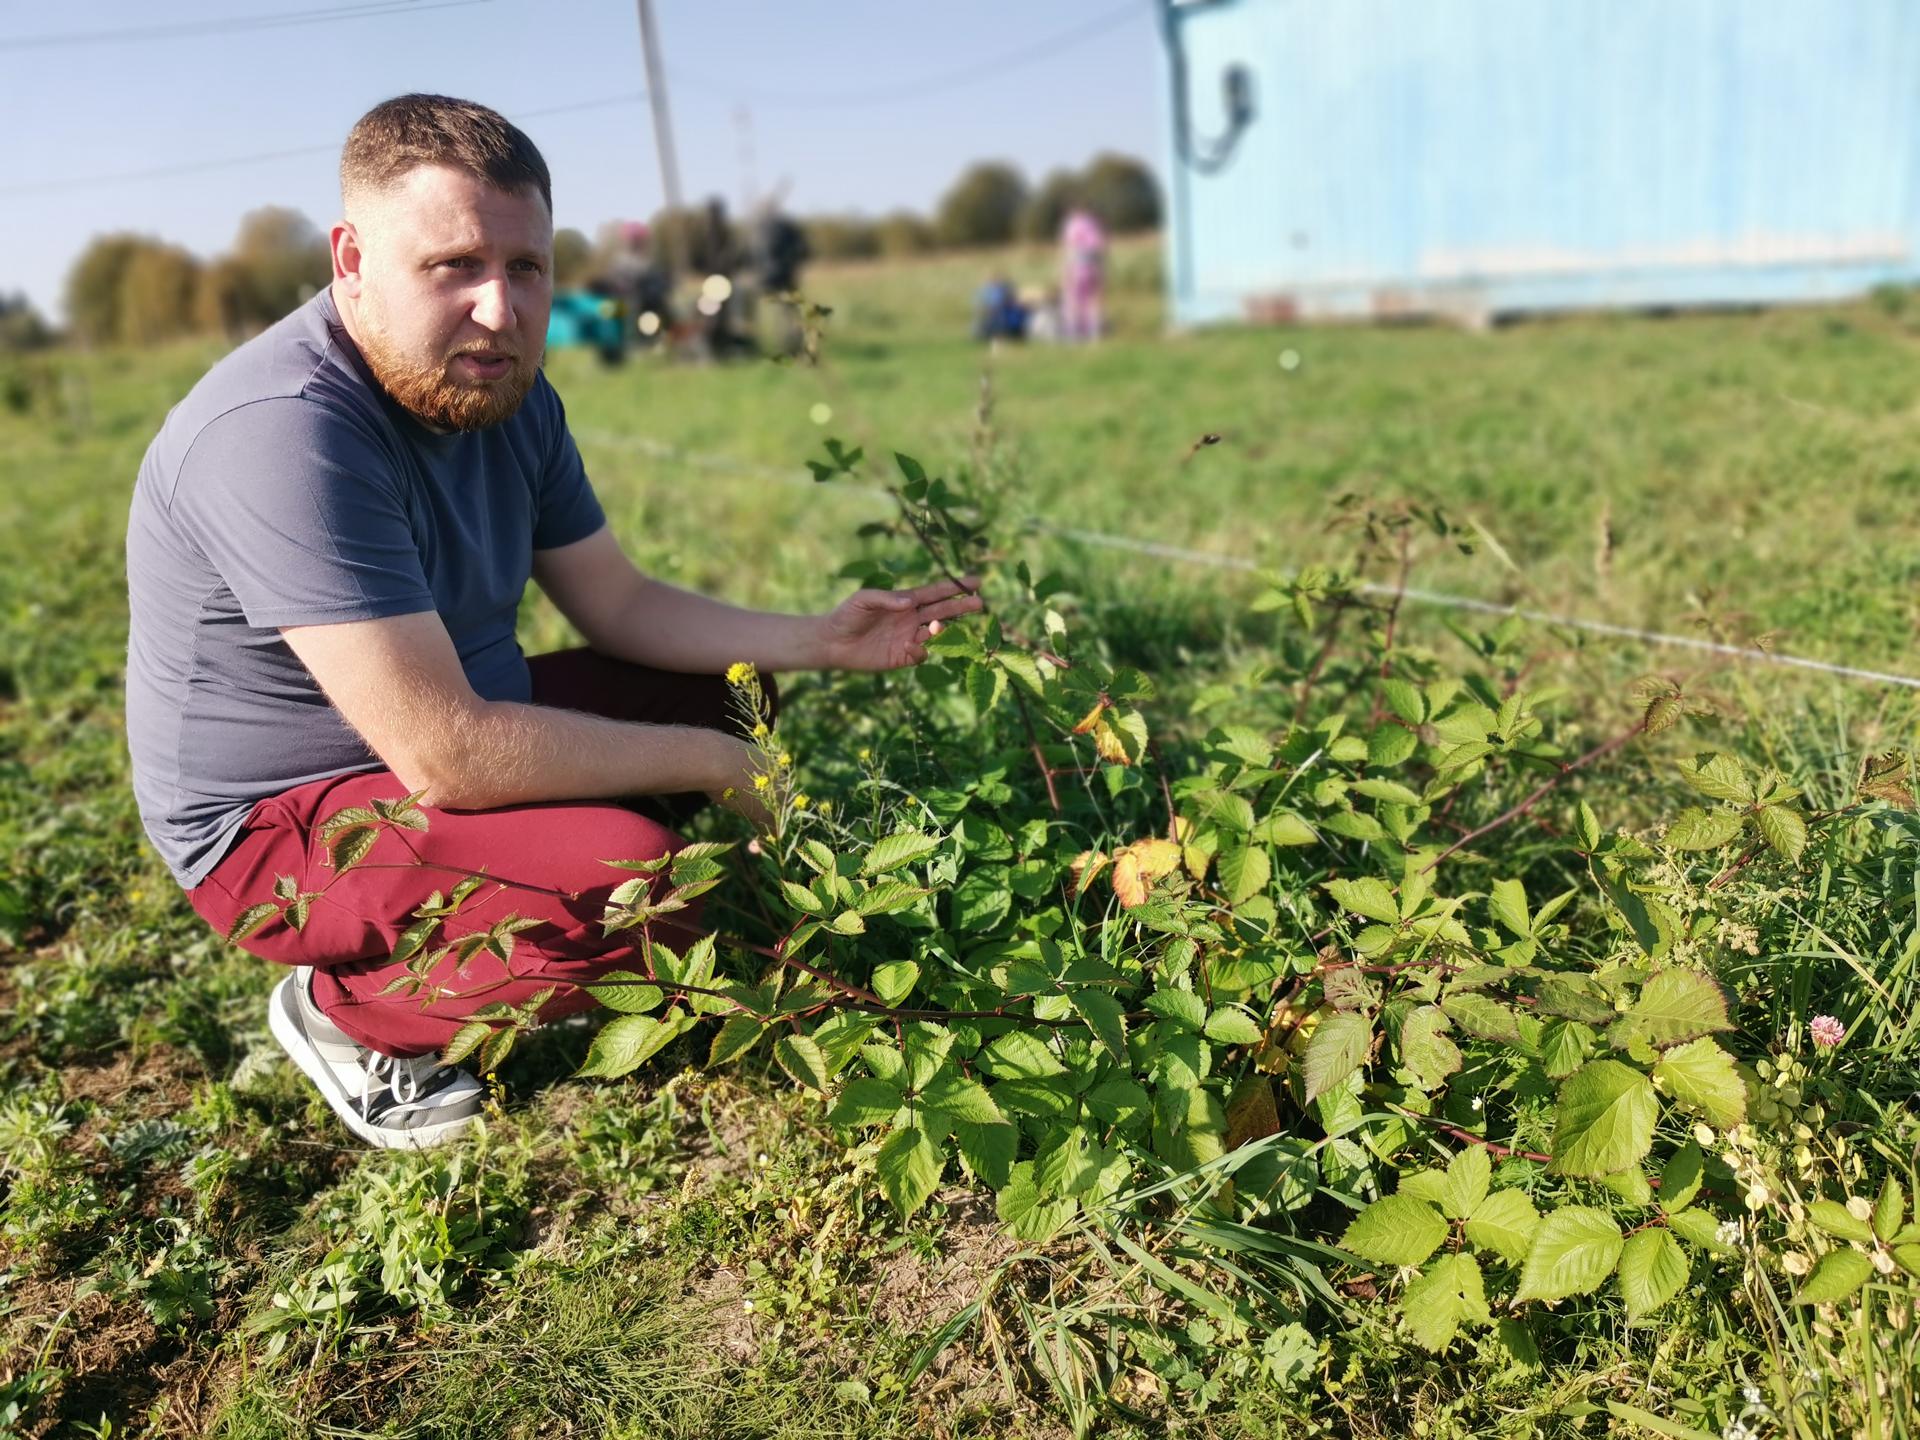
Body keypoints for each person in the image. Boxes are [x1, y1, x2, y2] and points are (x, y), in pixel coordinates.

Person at [123, 94, 980, 1151]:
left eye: (526, 268)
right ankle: (350, 1013)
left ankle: (528, 880)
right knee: (633, 885)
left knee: (738, 688)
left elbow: (615, 602)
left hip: (458, 721)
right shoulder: (284, 434)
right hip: (280, 824)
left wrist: (816, 637)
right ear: (351, 257)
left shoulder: (508, 392)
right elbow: (448, 754)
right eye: (454, 267)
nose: (501, 309)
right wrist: (714, 767)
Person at [1059, 206, 1108, 342]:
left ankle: (1074, 334)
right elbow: (1101, 248)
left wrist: (1065, 272)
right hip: (1094, 268)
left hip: (1077, 268)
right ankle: (1095, 334)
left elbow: (1069, 249)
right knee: (1093, 302)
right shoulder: (1094, 224)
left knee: (1073, 301)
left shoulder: (1072, 225)